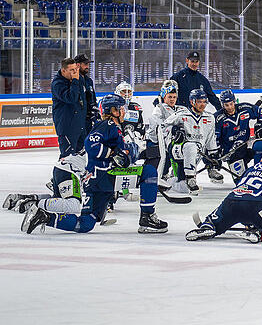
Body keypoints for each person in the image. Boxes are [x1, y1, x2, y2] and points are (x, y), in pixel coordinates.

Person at [21, 94, 168, 234]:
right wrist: (112, 153)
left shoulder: (114, 128)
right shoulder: (108, 124)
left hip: (95, 182)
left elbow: (122, 156)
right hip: (103, 176)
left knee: (85, 223)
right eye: (121, 108)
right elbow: (91, 144)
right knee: (148, 172)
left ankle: (44, 217)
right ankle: (147, 218)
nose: (124, 112)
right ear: (113, 111)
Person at [186, 149, 262, 243]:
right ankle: (261, 234)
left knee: (213, 221)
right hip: (257, 204)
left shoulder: (250, 170)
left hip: (231, 200)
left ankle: (208, 226)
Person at [163, 89, 221, 194]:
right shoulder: (182, 114)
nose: (202, 105)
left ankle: (177, 180)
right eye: (199, 102)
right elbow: (164, 127)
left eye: (204, 102)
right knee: (191, 146)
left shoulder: (210, 117)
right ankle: (190, 178)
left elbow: (211, 138)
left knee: (182, 183)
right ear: (192, 102)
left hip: (198, 152)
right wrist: (174, 132)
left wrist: (213, 155)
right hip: (178, 148)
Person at [144, 80, 190, 203]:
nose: (172, 99)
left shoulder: (181, 109)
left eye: (174, 97)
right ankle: (158, 179)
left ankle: (180, 179)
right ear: (164, 96)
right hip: (156, 142)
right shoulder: (159, 108)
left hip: (172, 142)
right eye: (169, 97)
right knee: (159, 163)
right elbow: (158, 126)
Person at [4, 153, 85, 217]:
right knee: (74, 205)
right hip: (70, 172)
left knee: (58, 200)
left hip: (63, 168)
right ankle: (34, 204)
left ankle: (28, 198)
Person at [214, 89, 262, 184]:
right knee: (242, 183)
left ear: (234, 101)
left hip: (246, 144)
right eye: (226, 105)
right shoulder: (218, 118)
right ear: (222, 104)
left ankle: (258, 173)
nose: (230, 107)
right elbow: (214, 138)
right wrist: (218, 152)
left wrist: (261, 124)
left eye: (231, 104)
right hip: (231, 152)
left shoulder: (244, 108)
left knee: (260, 145)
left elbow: (261, 111)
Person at [51, 57, 87, 157]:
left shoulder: (78, 80)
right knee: (68, 156)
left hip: (79, 125)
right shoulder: (57, 84)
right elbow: (71, 98)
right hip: (66, 126)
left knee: (82, 156)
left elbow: (83, 101)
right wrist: (75, 81)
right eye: (71, 70)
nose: (75, 72)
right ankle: (63, 173)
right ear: (63, 70)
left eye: (76, 69)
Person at [73, 54, 97, 133]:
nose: (88, 66)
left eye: (88, 64)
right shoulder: (72, 80)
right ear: (78, 65)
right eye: (85, 64)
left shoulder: (89, 80)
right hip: (77, 120)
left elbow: (93, 98)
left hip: (88, 120)